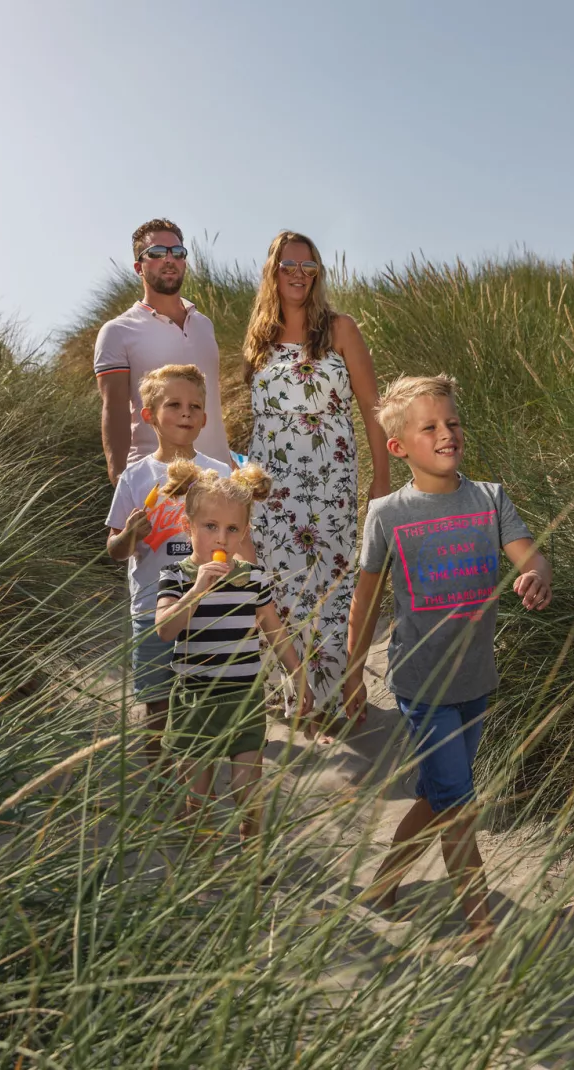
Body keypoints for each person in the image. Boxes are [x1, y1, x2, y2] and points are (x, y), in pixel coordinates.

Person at [346, 374, 552, 944]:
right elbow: (364, 601)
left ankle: (383, 882)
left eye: (453, 423)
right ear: (398, 447)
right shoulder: (387, 513)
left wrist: (535, 576)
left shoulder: (490, 498)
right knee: (458, 802)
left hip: (475, 679)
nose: (446, 434)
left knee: (438, 793)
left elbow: (529, 554)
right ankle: (482, 928)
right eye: (430, 427)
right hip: (419, 680)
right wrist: (352, 674)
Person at [243, 231, 389, 733]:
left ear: (318, 273)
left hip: (330, 479)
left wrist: (381, 479)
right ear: (273, 271)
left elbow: (374, 411)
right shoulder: (257, 337)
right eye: (289, 265)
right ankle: (297, 691)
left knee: (332, 582)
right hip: (271, 486)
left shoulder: (340, 329)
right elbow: (258, 420)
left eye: (309, 266)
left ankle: (345, 682)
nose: (299, 274)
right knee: (279, 585)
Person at [155, 461, 312, 837]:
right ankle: (203, 861)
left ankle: (252, 854)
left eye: (232, 529)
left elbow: (274, 630)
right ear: (188, 527)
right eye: (210, 527)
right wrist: (196, 592)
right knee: (198, 793)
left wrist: (298, 674)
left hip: (243, 698)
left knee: (247, 791)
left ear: (245, 532)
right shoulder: (176, 576)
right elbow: (164, 630)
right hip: (196, 699)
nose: (221, 539)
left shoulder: (253, 579)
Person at [105, 365, 232, 764]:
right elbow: (114, 549)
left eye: (195, 406)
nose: (186, 413)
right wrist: (130, 535)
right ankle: (162, 787)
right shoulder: (136, 477)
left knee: (206, 706)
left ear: (205, 419)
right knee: (157, 708)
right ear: (148, 415)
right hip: (151, 611)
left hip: (209, 610)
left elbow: (239, 538)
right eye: (173, 404)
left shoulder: (219, 473)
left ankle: (197, 787)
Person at [95, 218, 231, 484]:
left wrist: (229, 466)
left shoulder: (204, 325)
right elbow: (115, 410)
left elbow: (212, 404)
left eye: (177, 253)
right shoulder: (118, 331)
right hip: (155, 481)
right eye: (157, 253)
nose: (169, 260)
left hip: (216, 479)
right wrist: (120, 478)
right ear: (139, 267)